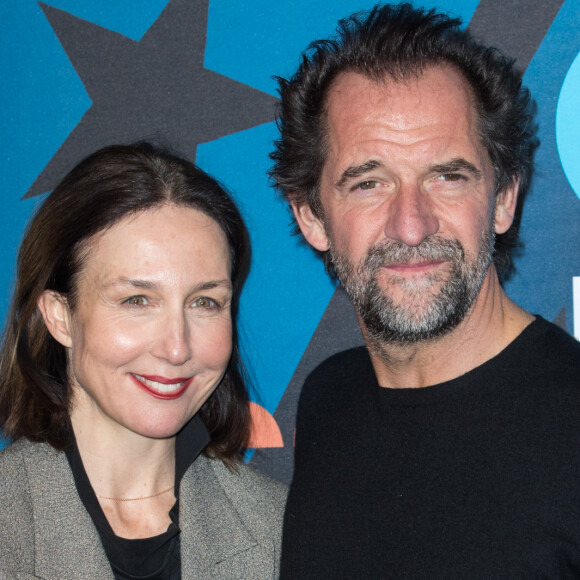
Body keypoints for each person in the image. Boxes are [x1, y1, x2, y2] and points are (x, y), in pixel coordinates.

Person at [269, 3, 580, 578]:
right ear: (312, 216)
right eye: (369, 183)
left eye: (447, 176)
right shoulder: (328, 402)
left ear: (505, 198)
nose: (411, 225)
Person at [0, 143, 286, 579]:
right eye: (137, 300)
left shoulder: (283, 532)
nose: (176, 348)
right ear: (60, 316)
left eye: (205, 302)